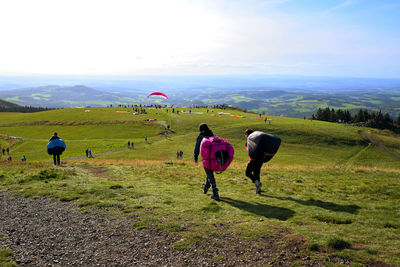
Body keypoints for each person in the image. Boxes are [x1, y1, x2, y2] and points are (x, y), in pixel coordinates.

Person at [194, 123, 220, 201]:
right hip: (215, 159)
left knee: (210, 176)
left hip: (206, 159)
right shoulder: (213, 135)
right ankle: (205, 188)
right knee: (209, 174)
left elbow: (197, 148)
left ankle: (215, 193)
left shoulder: (201, 137)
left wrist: (195, 157)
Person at [244, 129, 263, 194]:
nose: (245, 136)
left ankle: (258, 183)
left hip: (253, 160)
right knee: (256, 174)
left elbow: (249, 151)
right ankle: (258, 190)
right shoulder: (256, 141)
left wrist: (246, 146)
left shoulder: (249, 142)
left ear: (247, 134)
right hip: (260, 160)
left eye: (245, 135)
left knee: (247, 173)